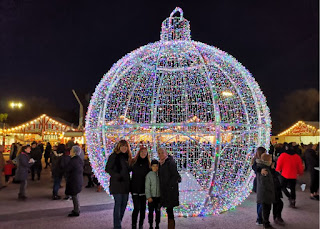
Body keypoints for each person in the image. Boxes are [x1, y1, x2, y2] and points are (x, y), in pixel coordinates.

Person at [106, 140, 132, 229]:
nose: (124, 148)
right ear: (119, 147)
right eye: (122, 146)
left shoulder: (127, 157)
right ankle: (117, 226)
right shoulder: (113, 156)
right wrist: (117, 176)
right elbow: (108, 168)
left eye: (125, 146)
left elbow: (130, 168)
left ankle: (119, 221)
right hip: (116, 183)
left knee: (124, 204)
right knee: (118, 203)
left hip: (125, 184)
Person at [158, 148, 181, 229]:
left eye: (162, 153)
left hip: (170, 192)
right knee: (168, 210)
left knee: (170, 211)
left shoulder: (170, 162)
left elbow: (176, 176)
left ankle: (171, 227)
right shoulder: (160, 163)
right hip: (164, 191)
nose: (160, 155)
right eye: (159, 153)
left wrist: (169, 186)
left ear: (166, 153)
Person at [276, 143, 304, 208]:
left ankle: (289, 197)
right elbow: (300, 167)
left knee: (283, 187)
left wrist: (278, 170)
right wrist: (300, 173)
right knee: (293, 189)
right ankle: (293, 201)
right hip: (293, 175)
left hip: (284, 174)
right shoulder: (297, 156)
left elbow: (279, 165)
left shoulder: (283, 155)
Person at [131, 147, 151, 229]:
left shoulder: (148, 164)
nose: (143, 153)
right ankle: (134, 225)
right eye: (142, 152)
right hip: (135, 188)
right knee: (136, 208)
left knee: (143, 208)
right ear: (139, 152)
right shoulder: (134, 162)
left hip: (144, 189)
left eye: (145, 152)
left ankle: (140, 225)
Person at [256, 153, 275, 229]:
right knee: (266, 209)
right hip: (265, 193)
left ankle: (265, 222)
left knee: (266, 209)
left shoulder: (264, 167)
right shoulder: (264, 170)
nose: (271, 161)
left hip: (264, 193)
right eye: (270, 160)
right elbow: (265, 183)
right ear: (267, 160)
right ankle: (266, 224)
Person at [65, 145, 84, 217]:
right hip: (77, 179)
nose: (70, 152)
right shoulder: (79, 159)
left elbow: (67, 169)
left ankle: (76, 211)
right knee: (75, 195)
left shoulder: (73, 161)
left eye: (71, 151)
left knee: (74, 196)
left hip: (74, 180)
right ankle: (76, 209)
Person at [252, 147, 266, 225]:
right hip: (260, 183)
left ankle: (259, 218)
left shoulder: (256, 160)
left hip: (258, 183)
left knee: (260, 201)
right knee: (262, 202)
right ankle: (259, 218)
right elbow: (255, 168)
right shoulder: (258, 162)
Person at [145, 159, 161, 229]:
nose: (155, 168)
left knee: (158, 212)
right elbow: (147, 187)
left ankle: (157, 225)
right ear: (151, 167)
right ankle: (150, 225)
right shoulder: (149, 175)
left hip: (158, 197)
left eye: (156, 166)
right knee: (151, 212)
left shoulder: (160, 174)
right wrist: (148, 196)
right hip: (151, 197)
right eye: (153, 166)